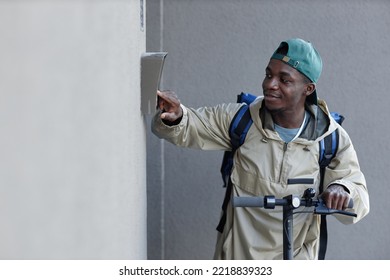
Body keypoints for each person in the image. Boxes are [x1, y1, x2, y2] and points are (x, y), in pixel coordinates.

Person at [151, 38, 370, 260]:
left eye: (284, 79)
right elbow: (190, 125)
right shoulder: (241, 120)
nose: (270, 84)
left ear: (308, 89)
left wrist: (342, 189)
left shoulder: (330, 138)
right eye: (268, 75)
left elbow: (358, 198)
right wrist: (176, 116)